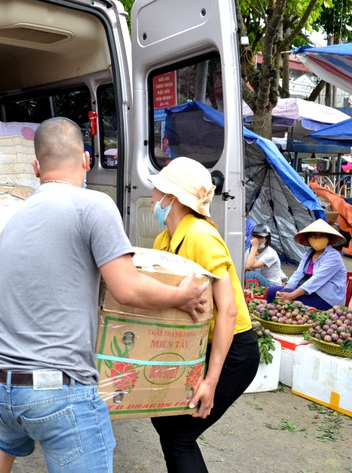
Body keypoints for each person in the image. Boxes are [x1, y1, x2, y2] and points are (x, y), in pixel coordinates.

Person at [0, 117, 209, 473]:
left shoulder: (15, 221)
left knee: (5, 442)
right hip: (56, 391)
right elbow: (127, 287)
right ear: (86, 160)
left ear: (36, 167)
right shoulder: (92, 205)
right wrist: (182, 296)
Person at [147, 157, 260, 473]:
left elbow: (228, 310)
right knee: (166, 423)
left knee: (179, 435)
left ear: (172, 197)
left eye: (158, 190)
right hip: (200, 348)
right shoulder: (165, 240)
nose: (153, 197)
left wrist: (210, 382)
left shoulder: (200, 235)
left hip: (235, 351)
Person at [265, 218, 347, 310]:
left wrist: (291, 295)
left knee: (285, 297)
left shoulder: (333, 257)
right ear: (308, 239)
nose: (317, 239)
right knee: (272, 292)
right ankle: (273, 318)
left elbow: (316, 280)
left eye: (321, 236)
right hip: (311, 293)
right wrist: (284, 291)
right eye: (314, 236)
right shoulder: (308, 255)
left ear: (328, 239)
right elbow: (297, 275)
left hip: (326, 299)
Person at [244, 223, 284, 288]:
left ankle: (250, 294)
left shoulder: (270, 253)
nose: (257, 240)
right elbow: (244, 267)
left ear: (267, 239)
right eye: (255, 236)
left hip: (272, 285)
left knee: (251, 273)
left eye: (260, 237)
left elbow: (249, 267)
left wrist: (254, 247)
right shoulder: (249, 251)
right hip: (259, 281)